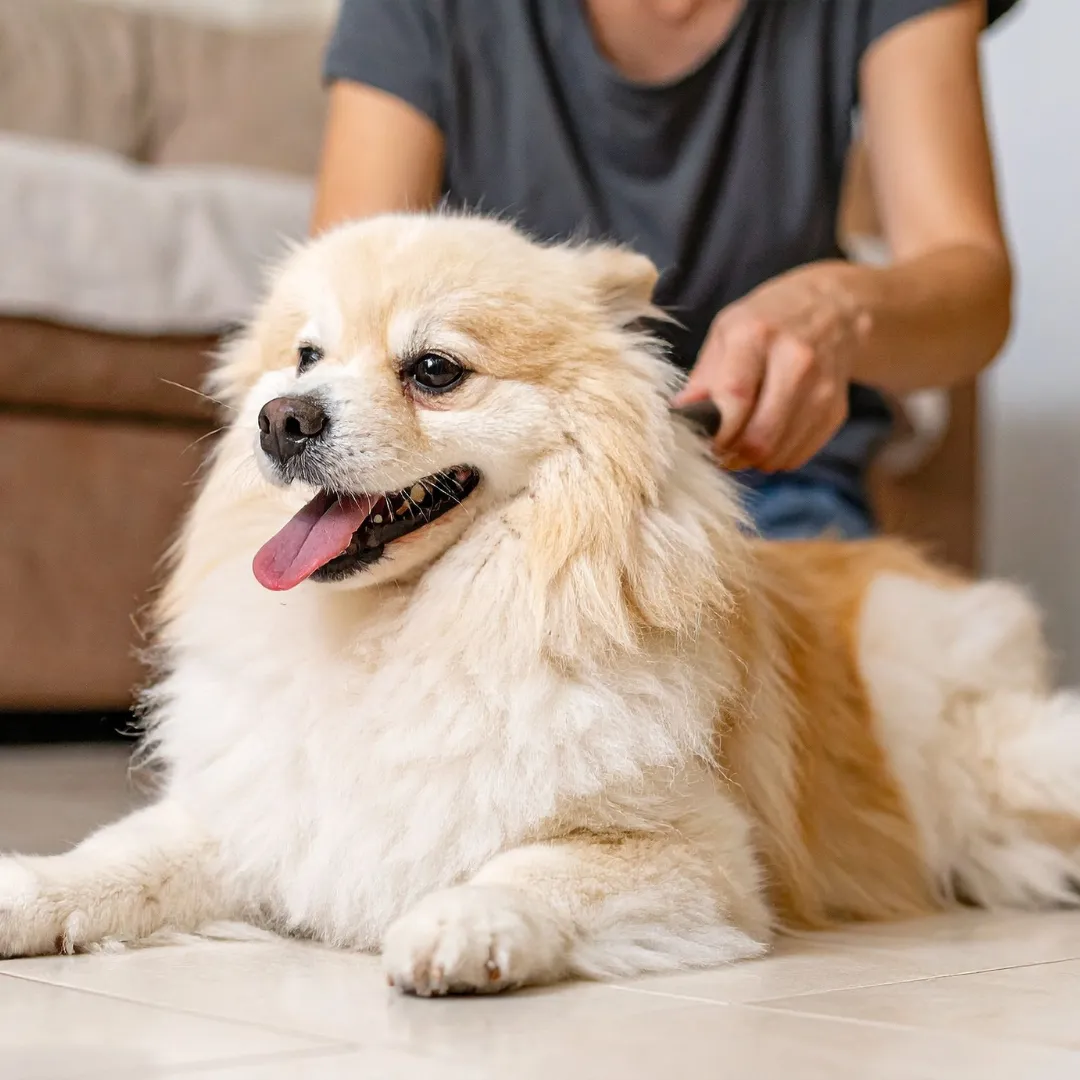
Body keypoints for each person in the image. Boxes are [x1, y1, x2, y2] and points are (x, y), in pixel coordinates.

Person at [312, 0, 1018, 539]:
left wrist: (839, 309)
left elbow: (972, 287)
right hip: (497, 490)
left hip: (759, 479)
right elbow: (341, 305)